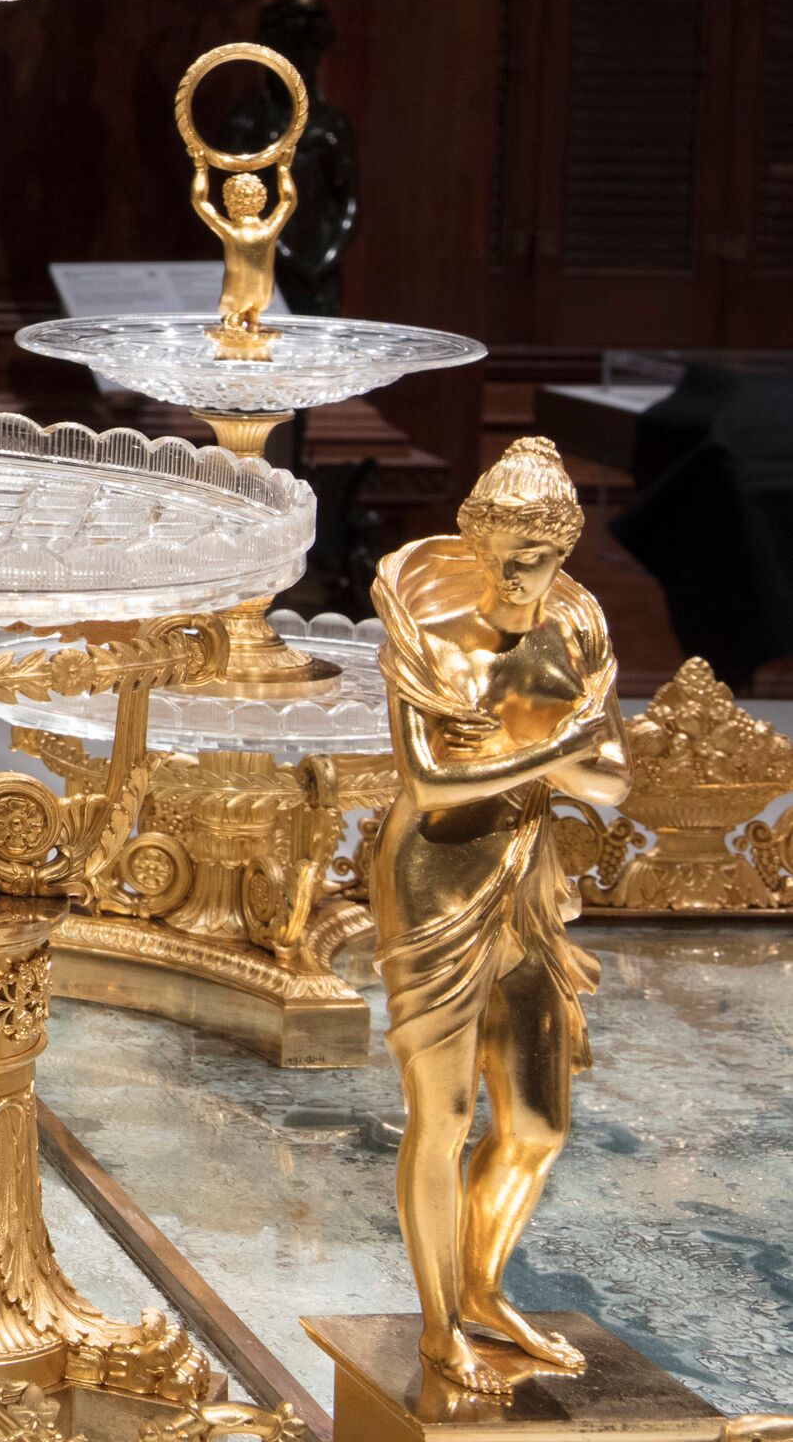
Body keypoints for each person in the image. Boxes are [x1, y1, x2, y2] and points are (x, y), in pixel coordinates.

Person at [371, 438, 632, 1398]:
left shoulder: (576, 630)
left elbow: (613, 782)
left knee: (534, 1123)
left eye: (546, 550)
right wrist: (552, 751)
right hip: (434, 875)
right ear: (475, 535)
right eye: (510, 546)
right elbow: (435, 789)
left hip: (527, 874)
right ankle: (439, 1329)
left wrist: (524, 755)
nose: (527, 568)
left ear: (565, 547)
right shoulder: (421, 627)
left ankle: (482, 1288)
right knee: (439, 1115)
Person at [194, 161, 292, 357]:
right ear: (261, 199)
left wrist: (201, 168)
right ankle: (250, 322)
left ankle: (239, 326)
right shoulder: (268, 229)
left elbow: (200, 201)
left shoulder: (231, 231)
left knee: (233, 329)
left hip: (234, 299)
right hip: (263, 297)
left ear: (229, 202)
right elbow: (288, 201)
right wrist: (283, 169)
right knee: (248, 328)